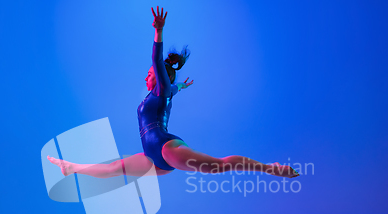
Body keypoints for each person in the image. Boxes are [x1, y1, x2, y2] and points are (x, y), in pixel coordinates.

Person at [48, 7, 299, 179]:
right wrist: (181, 87)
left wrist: (158, 32)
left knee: (218, 166)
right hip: (152, 157)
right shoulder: (162, 93)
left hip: (166, 147)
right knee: (115, 168)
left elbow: (157, 61)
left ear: (159, 77)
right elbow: (172, 90)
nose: (146, 76)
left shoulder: (161, 89)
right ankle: (71, 168)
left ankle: (270, 168)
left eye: (150, 73)